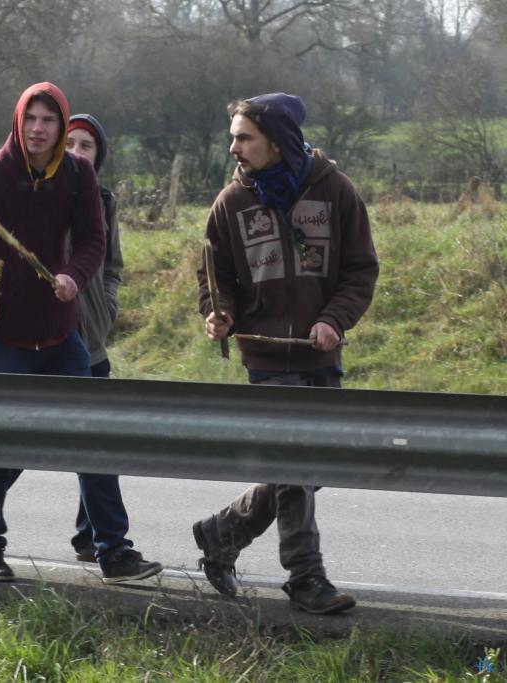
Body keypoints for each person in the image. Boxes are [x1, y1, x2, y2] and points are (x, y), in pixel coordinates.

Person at [0, 82, 162, 584]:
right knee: (5, 442)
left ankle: (113, 551)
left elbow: (92, 240)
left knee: (92, 440)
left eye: (49, 121)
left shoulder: (78, 176)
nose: (38, 129)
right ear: (18, 121)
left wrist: (74, 276)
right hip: (4, 335)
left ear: (62, 128)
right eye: (31, 119)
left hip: (63, 335)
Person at [195, 93, 378, 614]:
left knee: (308, 466)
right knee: (296, 459)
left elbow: (361, 270)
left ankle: (222, 531)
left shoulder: (336, 191)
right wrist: (220, 312)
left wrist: (333, 320)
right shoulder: (229, 204)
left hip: (321, 351)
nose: (233, 147)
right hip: (266, 356)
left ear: (277, 141)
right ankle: (305, 578)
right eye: (232, 136)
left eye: (243, 137)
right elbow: (214, 278)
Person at [63, 113, 125, 563]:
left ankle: (95, 537)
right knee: (24, 436)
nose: (77, 153)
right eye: (71, 144)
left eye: (86, 146)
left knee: (99, 436)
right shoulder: (36, 195)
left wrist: (106, 310)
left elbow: (114, 266)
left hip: (93, 337)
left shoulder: (104, 201)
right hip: (48, 336)